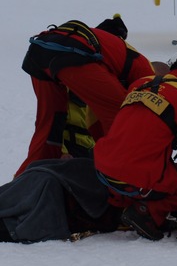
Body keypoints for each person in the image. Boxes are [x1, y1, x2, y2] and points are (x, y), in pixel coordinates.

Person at [94, 40, 177, 241]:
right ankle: (147, 211)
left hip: (103, 169)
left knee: (141, 162)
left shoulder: (140, 83)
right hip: (138, 177)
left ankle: (120, 206)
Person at [15, 15, 154, 177]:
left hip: (40, 50)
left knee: (48, 131)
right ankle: (120, 184)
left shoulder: (99, 46)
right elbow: (134, 119)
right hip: (68, 55)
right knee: (124, 120)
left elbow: (94, 118)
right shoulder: (144, 70)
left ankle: (16, 189)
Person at [0, 158, 123, 243]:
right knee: (20, 228)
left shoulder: (107, 162)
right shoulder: (122, 193)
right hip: (51, 190)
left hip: (43, 173)